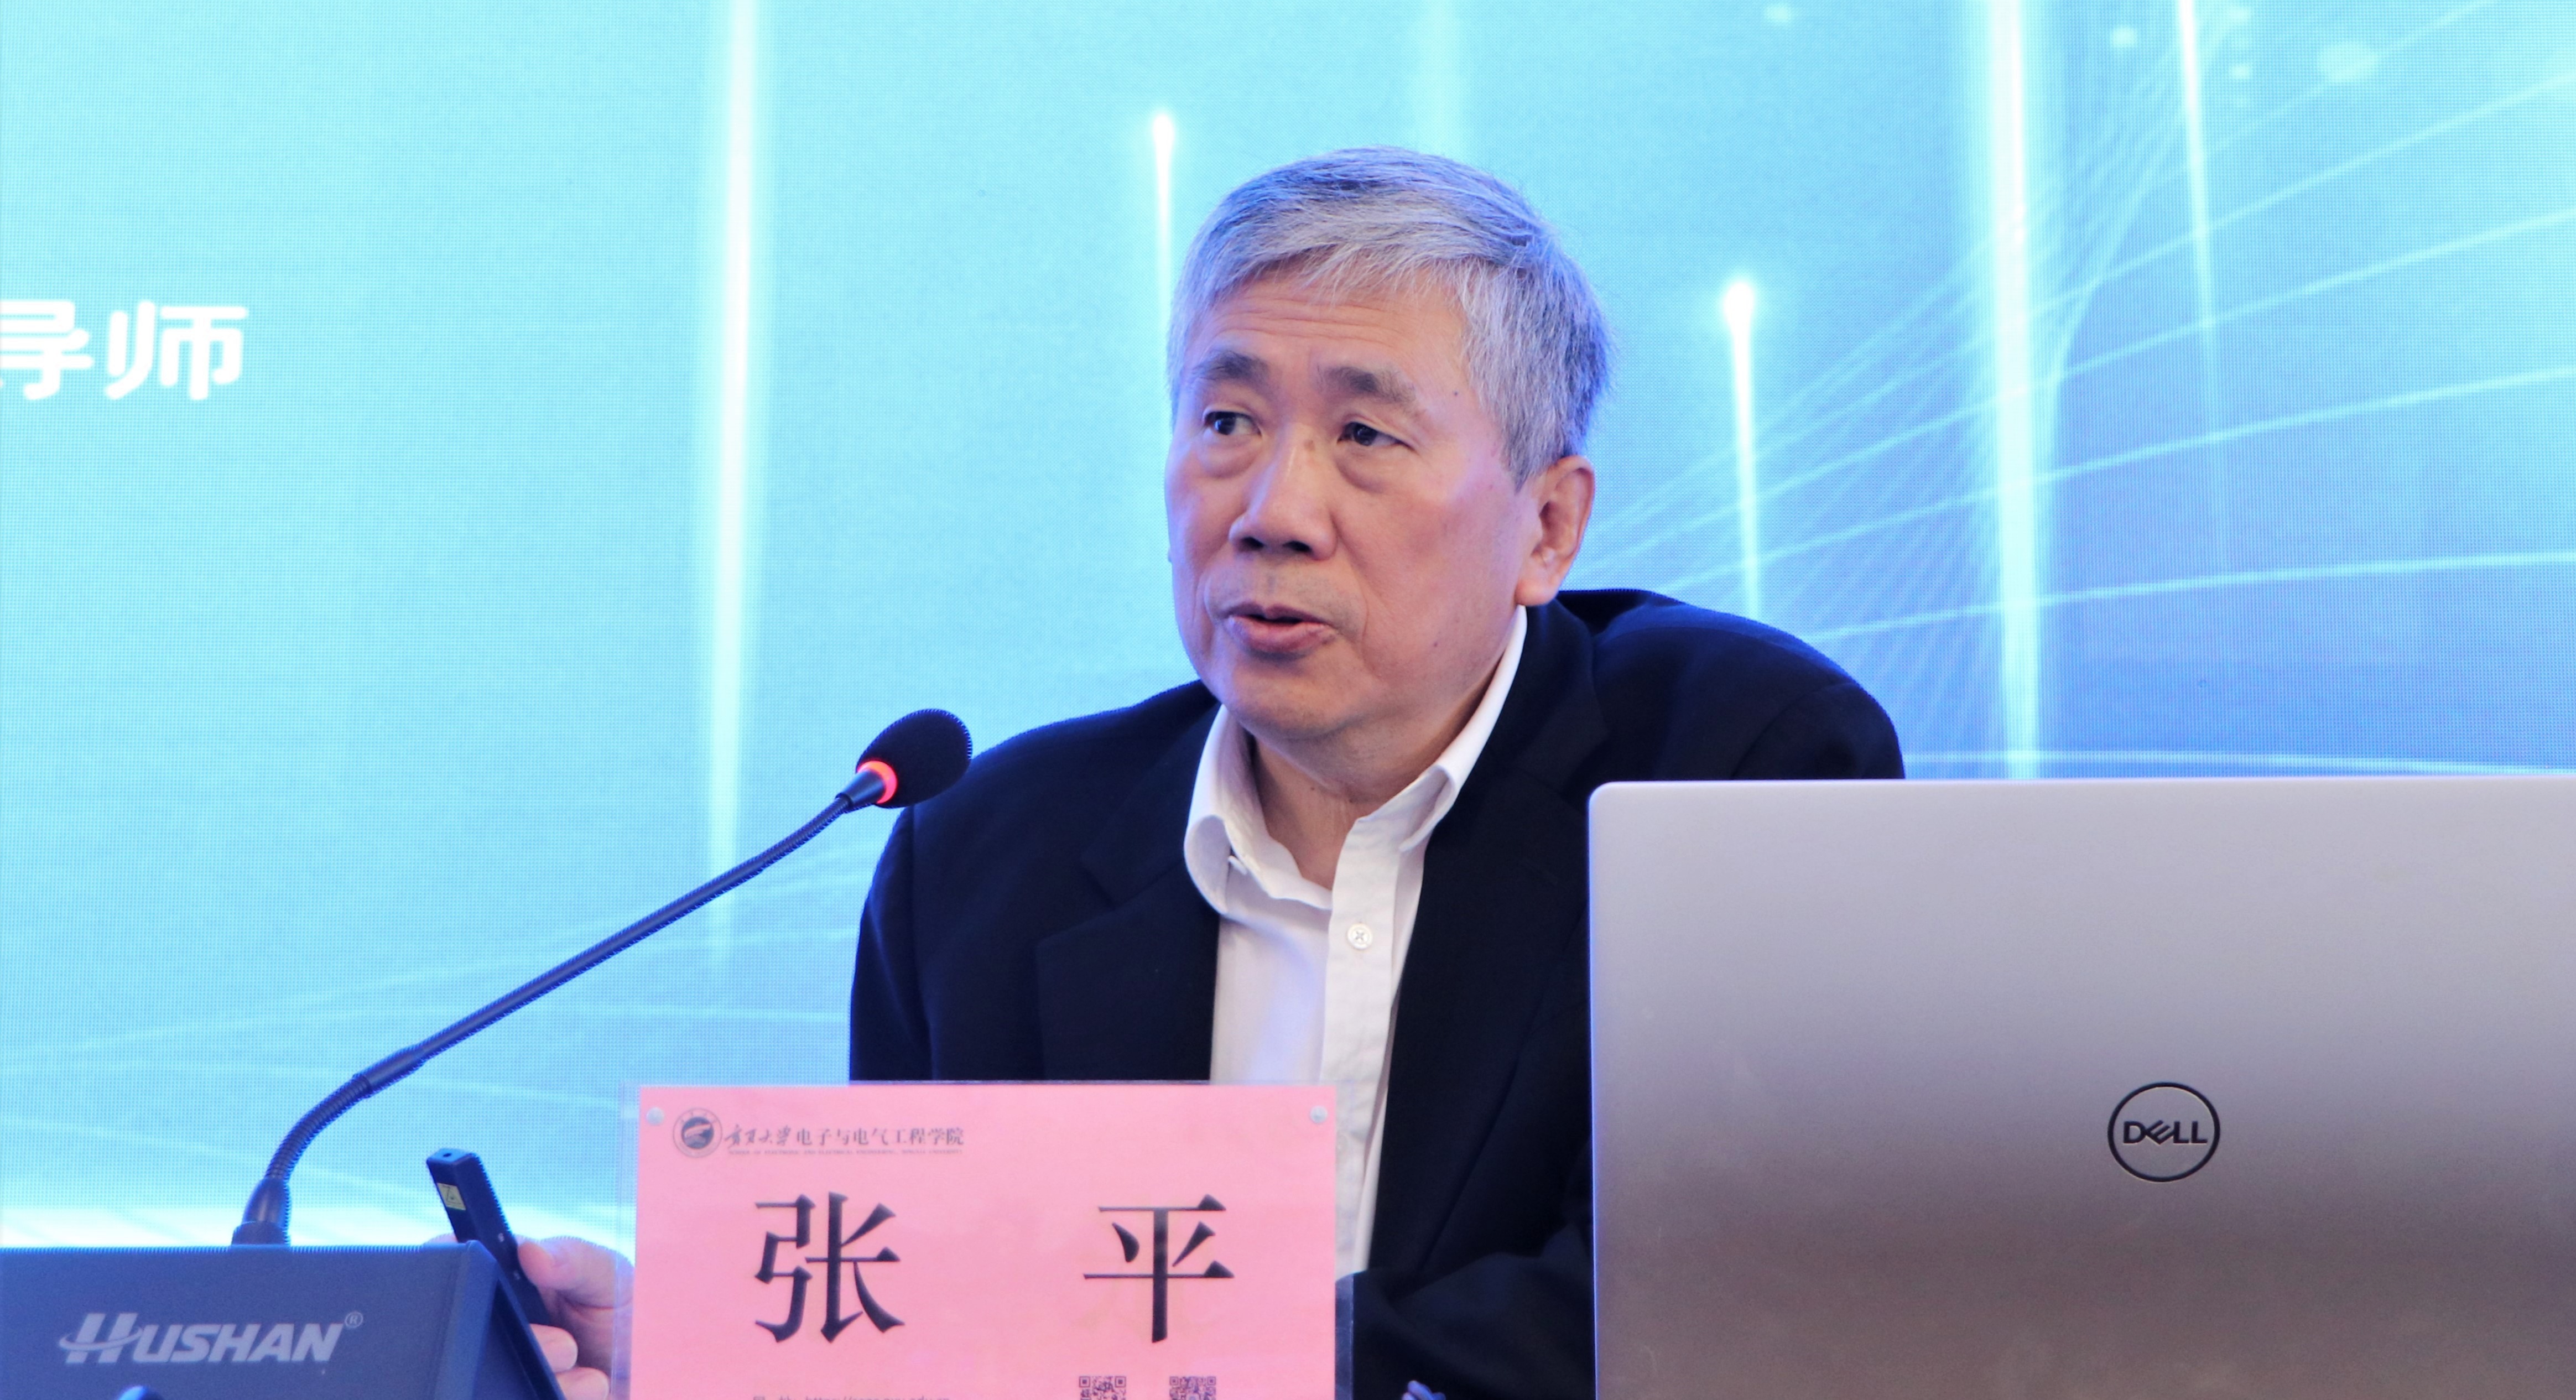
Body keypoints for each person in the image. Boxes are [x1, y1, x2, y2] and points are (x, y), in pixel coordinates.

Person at [515, 148, 1902, 1400]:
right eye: (1227, 420)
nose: (1272, 512)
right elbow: (934, 1335)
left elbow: (1728, 1304)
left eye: (1365, 436)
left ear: (1547, 526)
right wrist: (715, 1352)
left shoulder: (1732, 770)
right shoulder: (986, 858)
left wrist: (1197, 1356)